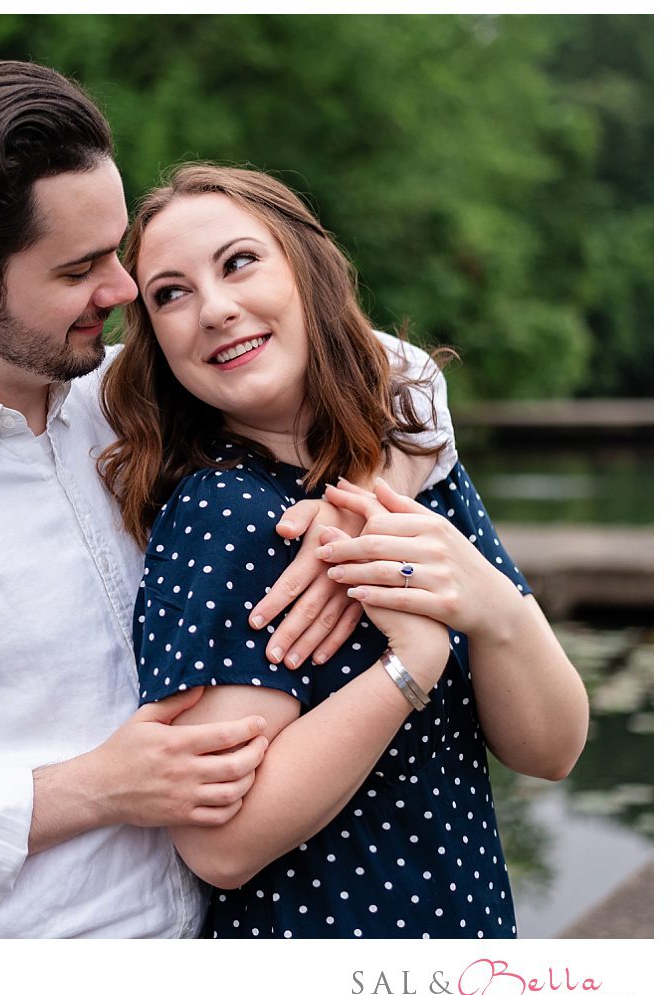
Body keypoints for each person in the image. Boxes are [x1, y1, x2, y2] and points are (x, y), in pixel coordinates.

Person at [0, 61, 458, 938]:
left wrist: (358, 512)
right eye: (81, 268)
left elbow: (405, 373)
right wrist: (95, 787)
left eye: (118, 253)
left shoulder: (126, 396)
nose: (125, 292)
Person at [98, 164, 588, 937]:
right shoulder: (224, 511)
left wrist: (489, 604)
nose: (216, 309)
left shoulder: (409, 459)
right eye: (170, 293)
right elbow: (219, 842)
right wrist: (410, 664)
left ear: (306, 269)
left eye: (239, 262)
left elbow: (553, 747)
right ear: (155, 337)